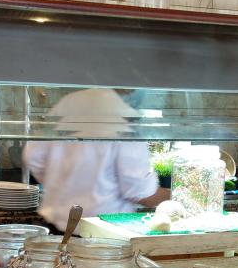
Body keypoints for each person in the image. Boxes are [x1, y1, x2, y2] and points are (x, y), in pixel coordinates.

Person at [23, 88, 169, 231]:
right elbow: (139, 191)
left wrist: (59, 181)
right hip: (102, 233)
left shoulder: (69, 102)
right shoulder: (123, 114)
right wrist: (175, 197)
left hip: (55, 227)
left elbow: (32, 155)